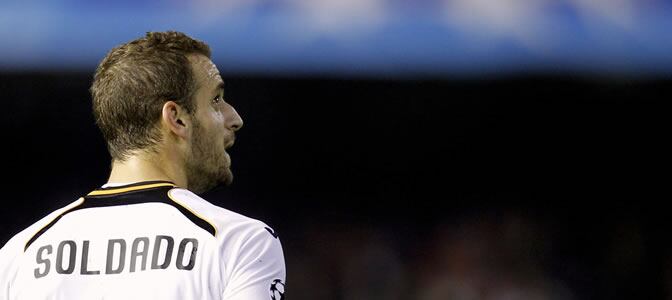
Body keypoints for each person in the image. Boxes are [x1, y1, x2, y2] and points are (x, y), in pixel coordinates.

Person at [0, 31, 286, 300]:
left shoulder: (19, 254)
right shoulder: (241, 243)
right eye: (216, 99)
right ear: (177, 119)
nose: (234, 118)